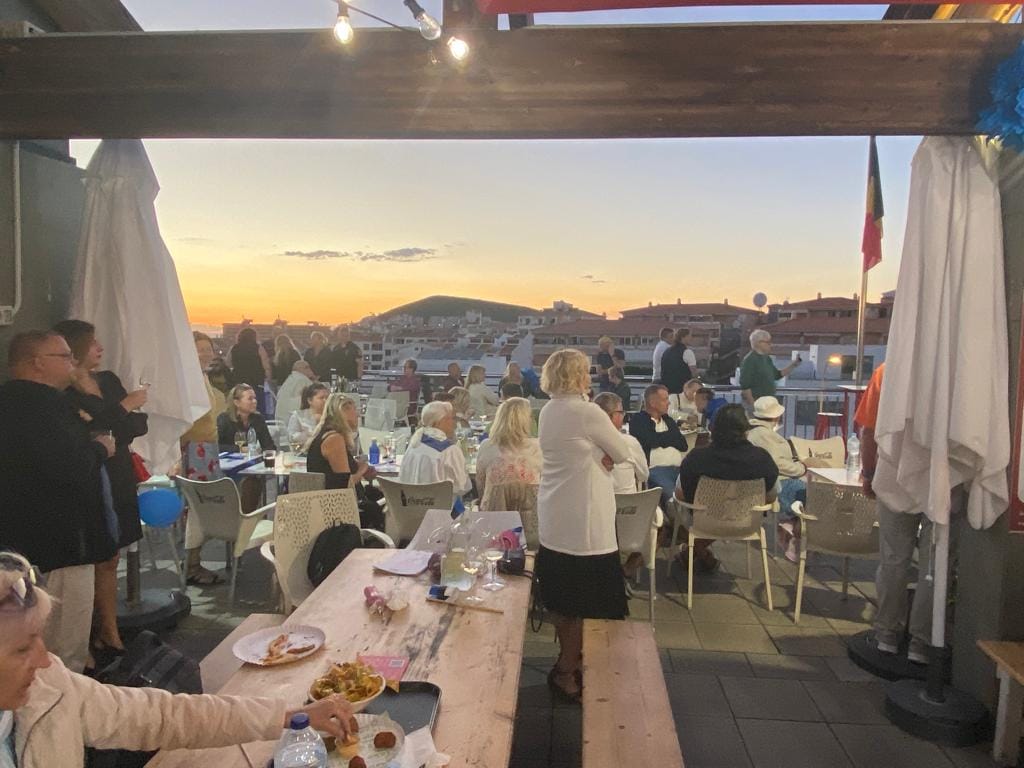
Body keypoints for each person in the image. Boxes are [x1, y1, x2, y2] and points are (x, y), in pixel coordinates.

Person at [0, 550, 358, 768]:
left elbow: (164, 716)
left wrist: (287, 716)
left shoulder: (52, 687)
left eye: (40, 639)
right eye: (22, 649)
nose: (45, 660)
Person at [0, 331, 116, 673]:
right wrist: (100, 449)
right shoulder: (46, 408)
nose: (73, 363)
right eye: (65, 357)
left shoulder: (9, 402)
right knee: (64, 648)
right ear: (37, 363)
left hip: (20, 543)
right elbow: (68, 468)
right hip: (65, 541)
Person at [536, 349, 631, 703]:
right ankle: (572, 670)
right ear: (578, 376)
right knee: (595, 605)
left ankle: (569, 664)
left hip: (556, 516)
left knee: (564, 604)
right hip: (585, 523)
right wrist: (602, 454)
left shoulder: (548, 410)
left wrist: (597, 453)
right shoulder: (588, 412)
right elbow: (622, 453)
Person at [53, 320, 149, 664]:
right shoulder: (64, 394)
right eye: (93, 343)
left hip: (118, 470)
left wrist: (109, 417)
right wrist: (124, 407)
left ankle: (108, 629)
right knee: (94, 553)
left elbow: (136, 427)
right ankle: (89, 633)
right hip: (91, 472)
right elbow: (95, 430)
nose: (100, 348)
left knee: (112, 555)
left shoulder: (107, 380)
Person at [856, 362, 930, 665]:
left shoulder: (889, 371)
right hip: (941, 481)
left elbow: (869, 429)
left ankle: (887, 634)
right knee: (934, 568)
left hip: (894, 476)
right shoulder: (953, 367)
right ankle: (923, 643)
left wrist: (868, 472)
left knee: (893, 560)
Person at [676, 403, 778, 573]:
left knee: (678, 508)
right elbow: (772, 496)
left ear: (713, 429)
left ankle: (693, 550)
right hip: (748, 523)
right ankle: (697, 553)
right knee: (727, 511)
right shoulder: (762, 459)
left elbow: (681, 494)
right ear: (746, 430)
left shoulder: (696, 458)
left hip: (705, 521)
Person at [746, 396, 816, 562]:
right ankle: (797, 533)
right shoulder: (765, 435)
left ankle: (792, 529)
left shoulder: (756, 433)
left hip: (768, 482)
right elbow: (777, 464)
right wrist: (802, 467)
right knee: (813, 495)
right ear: (776, 416)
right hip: (779, 482)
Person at [594, 392, 655, 583]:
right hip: (632, 522)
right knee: (664, 529)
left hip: (596, 525)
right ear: (610, 416)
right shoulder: (629, 443)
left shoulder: (586, 445)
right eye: (621, 412)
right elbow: (644, 475)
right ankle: (627, 568)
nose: (624, 416)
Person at [305, 394, 383, 529]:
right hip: (337, 511)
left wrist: (357, 466)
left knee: (377, 495)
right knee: (385, 505)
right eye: (354, 410)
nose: (357, 415)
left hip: (325, 503)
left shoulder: (326, 435)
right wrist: (362, 469)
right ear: (343, 412)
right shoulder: (334, 439)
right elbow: (345, 484)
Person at [628, 384, 687, 513]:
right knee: (672, 497)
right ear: (653, 403)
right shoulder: (638, 421)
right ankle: (675, 520)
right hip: (656, 469)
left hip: (680, 469)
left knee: (694, 494)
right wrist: (670, 438)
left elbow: (683, 444)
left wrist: (660, 439)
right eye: (665, 399)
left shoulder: (669, 421)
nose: (669, 403)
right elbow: (650, 440)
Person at [476, 397, 542, 506]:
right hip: (532, 511)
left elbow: (481, 485)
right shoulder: (538, 447)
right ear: (526, 420)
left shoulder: (486, 446)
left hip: (495, 511)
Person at [398, 401, 471, 497]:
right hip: (440, 505)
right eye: (451, 418)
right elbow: (463, 487)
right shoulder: (450, 450)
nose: (454, 423)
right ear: (439, 422)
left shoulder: (413, 445)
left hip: (409, 503)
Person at [739, 329, 800, 407]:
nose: (770, 344)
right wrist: (753, 406)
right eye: (768, 342)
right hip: (757, 404)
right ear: (759, 343)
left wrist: (793, 365)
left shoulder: (767, 358)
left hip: (768, 403)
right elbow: (745, 386)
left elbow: (777, 375)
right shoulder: (749, 360)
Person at [216, 384, 276, 453]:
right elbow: (216, 447)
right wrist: (239, 449)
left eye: (254, 398)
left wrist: (265, 452)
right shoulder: (224, 419)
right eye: (250, 399)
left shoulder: (258, 419)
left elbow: (269, 446)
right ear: (237, 402)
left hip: (251, 458)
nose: (255, 401)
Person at [227, 327, 271, 399]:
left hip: (239, 381)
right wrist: (268, 378)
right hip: (256, 382)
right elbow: (266, 365)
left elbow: (228, 363)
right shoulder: (258, 348)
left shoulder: (234, 348)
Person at [286, 381, 329, 448]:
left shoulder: (332, 416)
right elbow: (292, 437)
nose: (325, 400)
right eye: (321, 398)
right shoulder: (297, 416)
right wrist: (311, 432)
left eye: (327, 398)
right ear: (309, 400)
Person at [660, 328, 697, 397]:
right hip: (682, 390)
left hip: (667, 389)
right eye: (690, 336)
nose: (691, 338)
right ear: (684, 337)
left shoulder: (667, 351)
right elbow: (694, 373)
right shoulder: (687, 352)